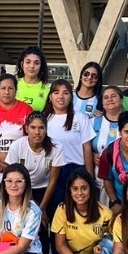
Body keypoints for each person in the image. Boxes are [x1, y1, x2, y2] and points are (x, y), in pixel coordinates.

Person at [49, 170, 114, 254]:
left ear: (91, 188)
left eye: (84, 188)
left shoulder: (106, 213)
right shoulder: (62, 210)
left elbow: (112, 242)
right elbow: (59, 245)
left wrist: (101, 250)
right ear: (69, 191)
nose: (80, 193)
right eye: (75, 189)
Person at [41, 80, 96, 213]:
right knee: (55, 212)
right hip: (51, 171)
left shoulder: (80, 117)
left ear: (71, 97)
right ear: (50, 97)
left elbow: (87, 148)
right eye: (56, 92)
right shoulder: (44, 119)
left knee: (76, 212)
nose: (61, 96)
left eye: (66, 93)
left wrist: (89, 176)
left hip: (75, 170)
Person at [6, 113, 61, 211]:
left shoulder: (56, 148)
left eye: (41, 128)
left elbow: (53, 181)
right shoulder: (17, 146)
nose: (37, 132)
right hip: (22, 189)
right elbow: (14, 177)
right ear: (26, 129)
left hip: (46, 190)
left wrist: (41, 209)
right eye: (33, 127)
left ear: (46, 130)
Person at [0, 74, 33, 173]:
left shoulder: (26, 110)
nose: (7, 92)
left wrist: (10, 160)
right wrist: (0, 156)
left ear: (15, 91)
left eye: (10, 88)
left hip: (20, 164)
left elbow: (33, 140)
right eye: (3, 88)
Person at [91, 86, 127, 158]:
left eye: (113, 96)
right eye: (106, 97)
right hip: (98, 168)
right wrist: (92, 155)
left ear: (121, 99)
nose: (109, 99)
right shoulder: (92, 122)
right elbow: (83, 147)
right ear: (102, 103)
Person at [14, 47, 50, 112]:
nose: (32, 66)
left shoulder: (48, 90)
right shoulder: (13, 85)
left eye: (36, 63)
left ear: (41, 66)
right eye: (28, 62)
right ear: (22, 64)